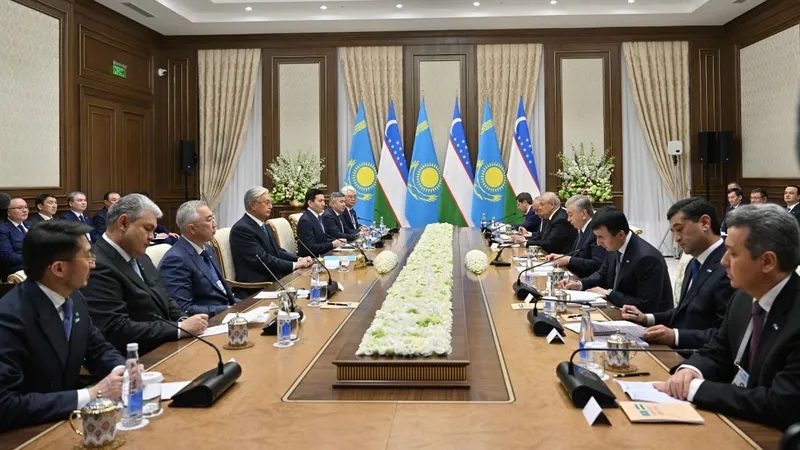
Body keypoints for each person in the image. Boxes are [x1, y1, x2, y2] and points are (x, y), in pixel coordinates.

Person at [656, 204, 800, 430]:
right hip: (738, 420)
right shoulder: (743, 297)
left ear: (767, 261)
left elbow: (781, 403)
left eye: (732, 253)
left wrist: (696, 389)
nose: (723, 261)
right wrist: (691, 370)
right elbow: (718, 351)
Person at [0, 221, 125, 431]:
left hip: (67, 423)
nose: (93, 264)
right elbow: (6, 405)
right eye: (87, 257)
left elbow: (98, 348)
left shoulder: (74, 298)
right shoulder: (9, 317)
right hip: (27, 434)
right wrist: (91, 395)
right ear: (59, 268)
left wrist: (123, 371)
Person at [81, 194, 208, 355]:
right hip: (138, 357)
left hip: (168, 344)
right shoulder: (96, 264)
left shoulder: (141, 256)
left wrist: (184, 320)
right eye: (148, 229)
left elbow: (165, 298)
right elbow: (115, 328)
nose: (152, 237)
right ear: (123, 223)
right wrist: (179, 328)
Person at [622, 198, 735, 348]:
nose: (676, 239)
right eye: (673, 232)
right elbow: (684, 312)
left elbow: (726, 335)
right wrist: (645, 318)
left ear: (705, 223)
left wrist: (675, 336)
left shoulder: (729, 268)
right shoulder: (693, 263)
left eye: (680, 229)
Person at [562, 206, 672, 313]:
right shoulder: (614, 245)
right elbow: (601, 274)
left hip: (646, 321)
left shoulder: (647, 258)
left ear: (620, 234)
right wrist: (579, 284)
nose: (598, 243)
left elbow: (645, 305)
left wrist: (609, 293)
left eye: (601, 237)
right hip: (618, 309)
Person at [158, 201, 237, 317]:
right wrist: (226, 310)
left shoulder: (208, 249)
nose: (215, 224)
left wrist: (241, 306)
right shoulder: (175, 260)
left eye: (213, 218)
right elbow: (183, 308)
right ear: (192, 229)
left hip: (227, 312)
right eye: (209, 220)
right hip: (208, 321)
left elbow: (220, 290)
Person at [230, 187, 312, 291]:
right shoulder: (242, 229)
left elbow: (277, 251)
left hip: (275, 278)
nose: (271, 206)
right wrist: (295, 265)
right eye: (267, 202)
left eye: (270, 202)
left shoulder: (263, 225)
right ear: (253, 205)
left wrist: (299, 259)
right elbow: (264, 260)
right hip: (259, 286)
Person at [544, 194, 605, 278]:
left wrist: (569, 260)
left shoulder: (595, 231)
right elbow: (577, 255)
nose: (568, 219)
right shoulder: (582, 229)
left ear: (584, 214)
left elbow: (597, 264)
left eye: (570, 215)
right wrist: (562, 257)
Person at [297, 189, 345, 258]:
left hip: (322, 255)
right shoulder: (305, 221)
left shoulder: (317, 217)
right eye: (320, 201)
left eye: (324, 200)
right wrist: (332, 244)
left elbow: (323, 238)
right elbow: (310, 248)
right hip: (312, 259)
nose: (323, 204)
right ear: (310, 203)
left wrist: (337, 241)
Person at [0, 198, 31, 279]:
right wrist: (33, 259)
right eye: (20, 208)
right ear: (8, 212)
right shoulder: (3, 229)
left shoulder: (31, 225)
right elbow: (8, 256)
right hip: (17, 269)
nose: (24, 210)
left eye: (26, 207)